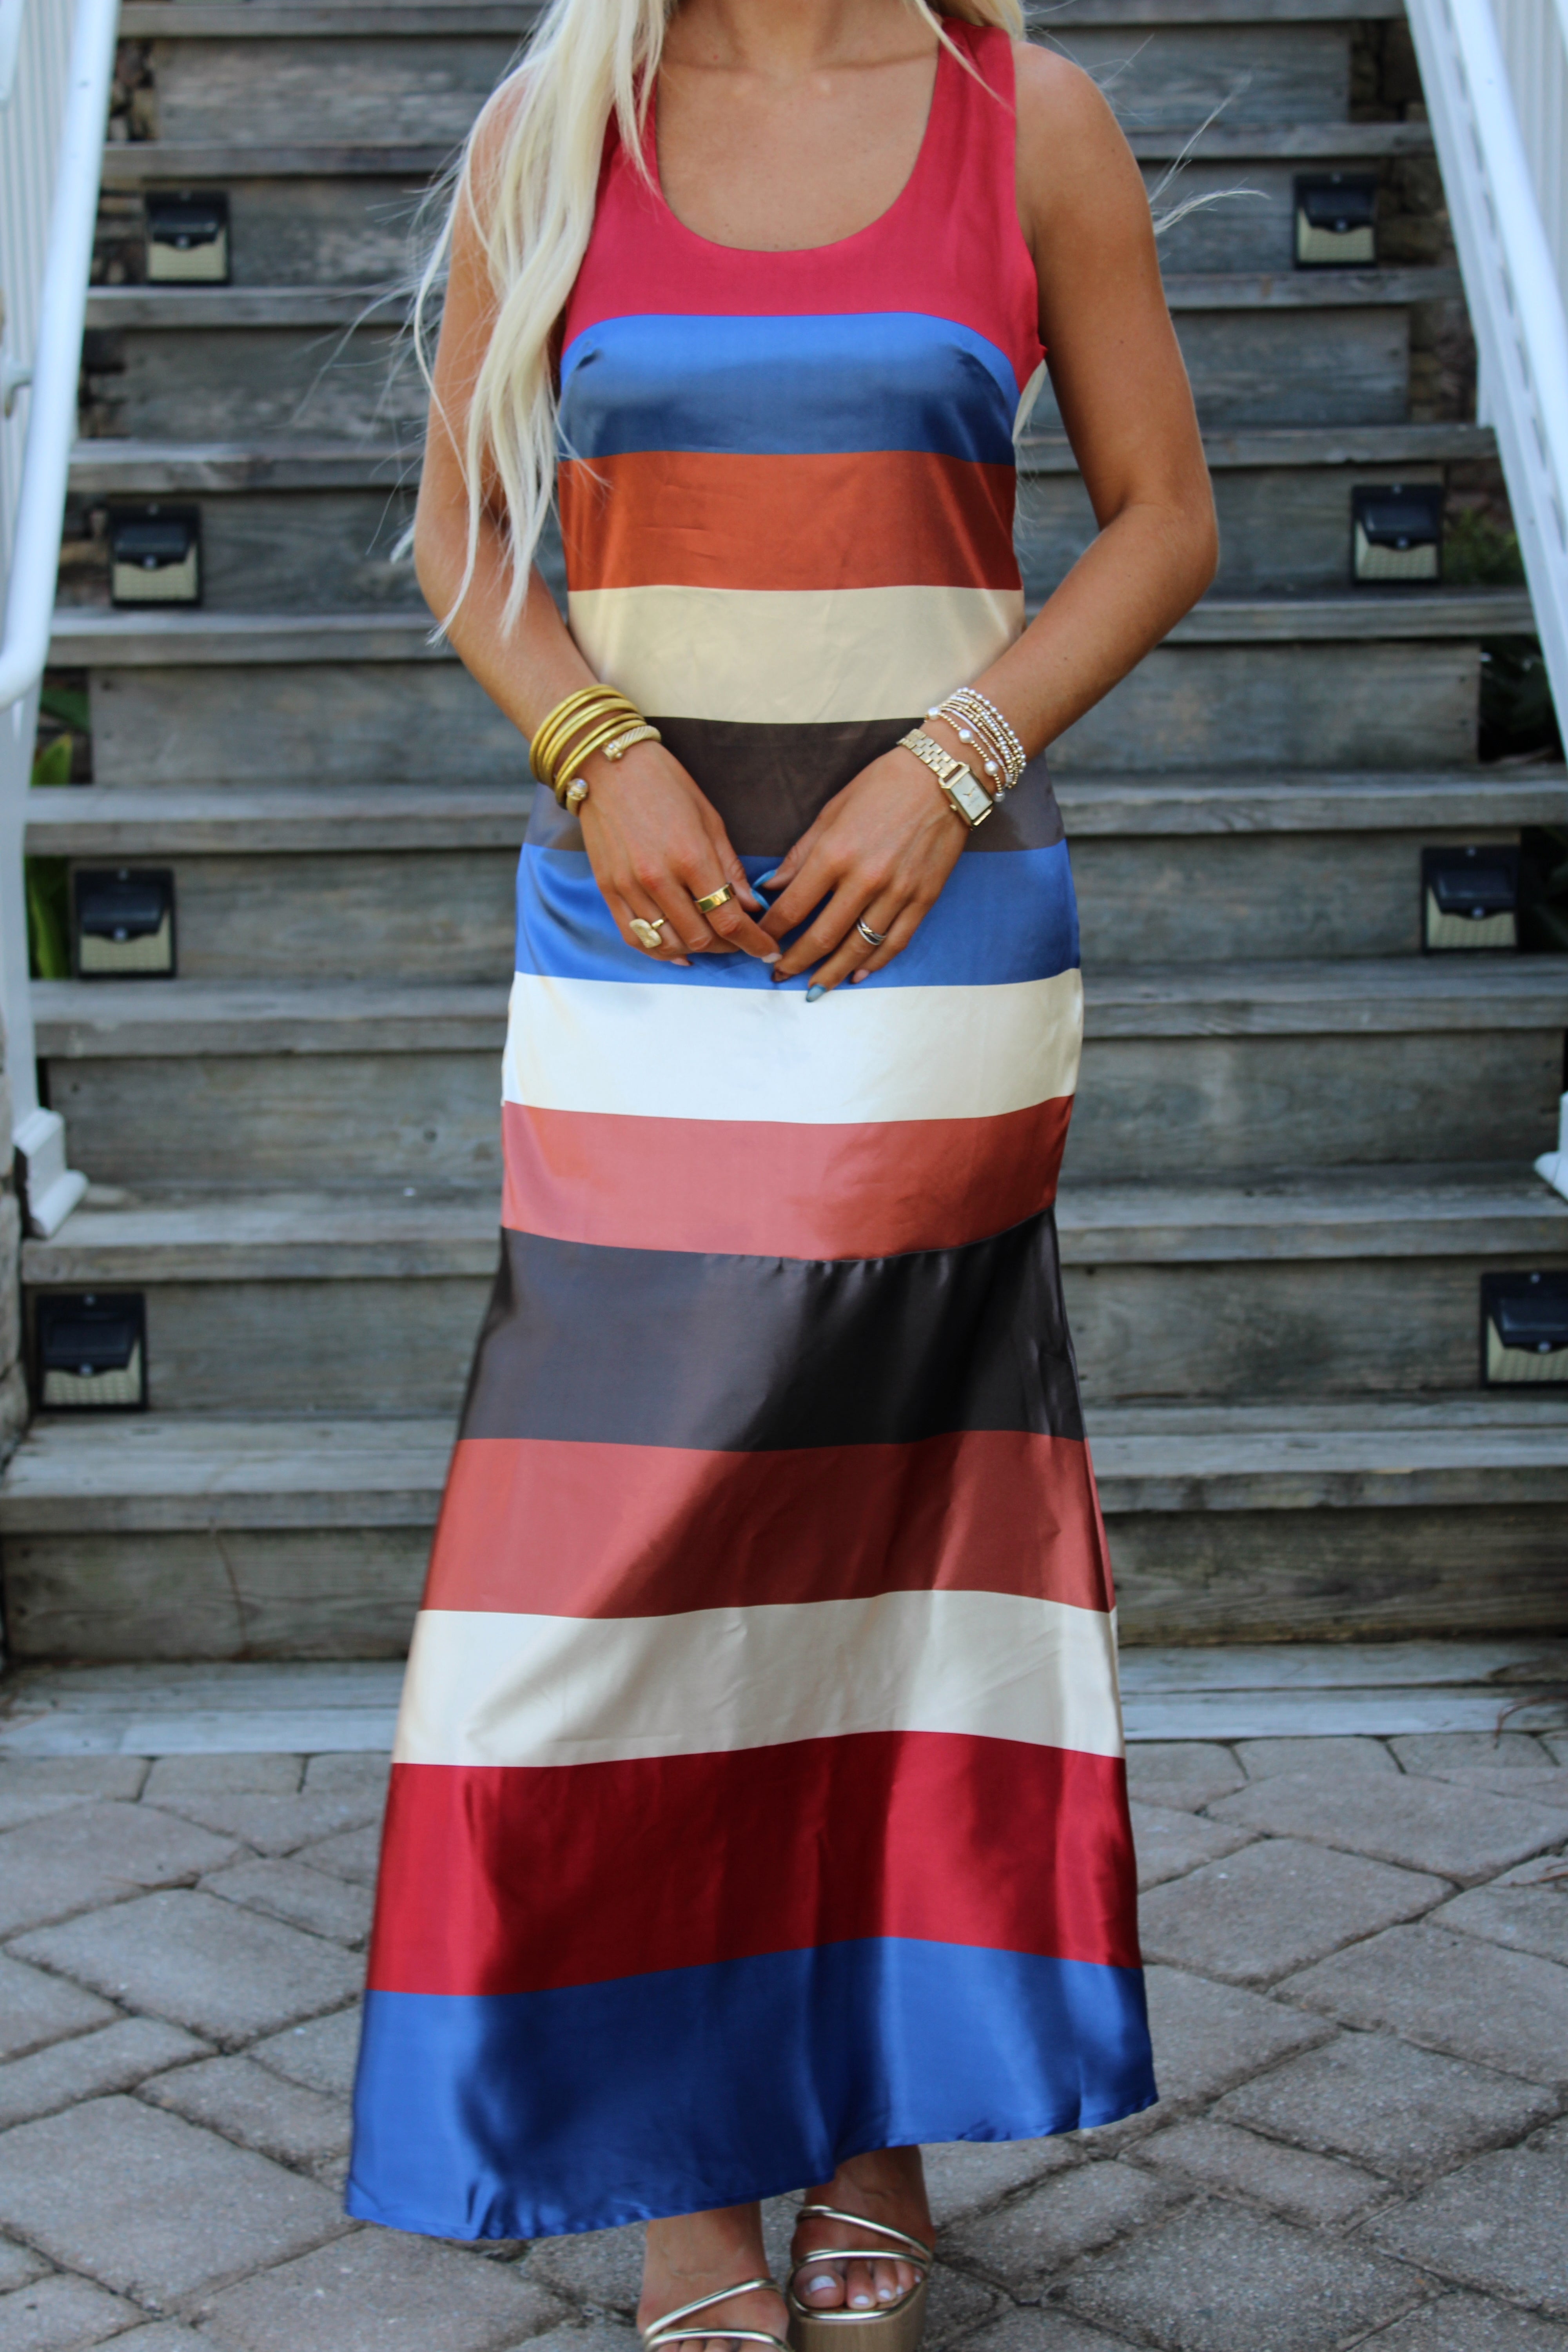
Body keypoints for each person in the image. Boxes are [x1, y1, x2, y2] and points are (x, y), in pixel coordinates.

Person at [345, 0, 1217, 2342]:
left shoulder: (1026, 121)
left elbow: (1166, 517)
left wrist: (951, 762)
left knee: (892, 1535)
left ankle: (871, 2117)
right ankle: (680, 2161)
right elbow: (460, 530)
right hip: (642, 944)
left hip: (937, 945)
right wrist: (593, 742)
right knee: (613, 1557)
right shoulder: (563, 126)